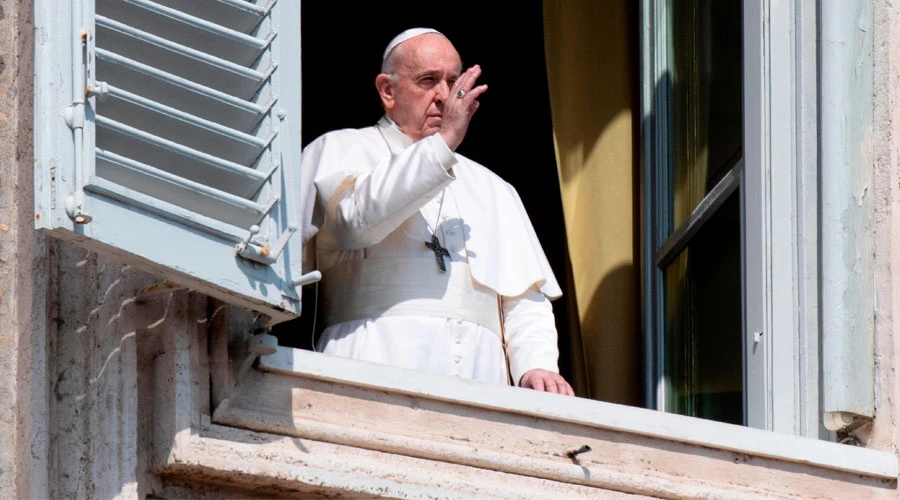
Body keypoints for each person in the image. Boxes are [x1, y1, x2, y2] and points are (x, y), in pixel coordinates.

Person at [300, 28, 573, 395]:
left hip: (482, 379)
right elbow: (355, 223)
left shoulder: (494, 188)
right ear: (387, 90)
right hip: (369, 362)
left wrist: (536, 365)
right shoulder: (341, 148)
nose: (445, 96)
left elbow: (524, 298)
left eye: (452, 81)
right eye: (428, 81)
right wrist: (444, 144)